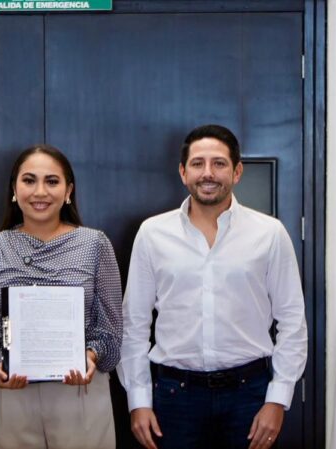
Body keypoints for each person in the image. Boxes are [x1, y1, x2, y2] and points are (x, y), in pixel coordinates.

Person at [118, 124, 308, 449]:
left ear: (237, 172)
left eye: (219, 163)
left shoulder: (270, 233)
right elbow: (133, 323)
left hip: (250, 396)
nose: (208, 173)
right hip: (174, 398)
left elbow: (292, 320)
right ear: (183, 172)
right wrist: (138, 400)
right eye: (198, 163)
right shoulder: (152, 233)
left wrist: (278, 399)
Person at [0, 144, 123, 449]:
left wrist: (90, 357)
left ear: (68, 190)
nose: (40, 192)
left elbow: (111, 327)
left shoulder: (95, 244)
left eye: (52, 181)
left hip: (79, 392)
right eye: (29, 180)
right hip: (11, 395)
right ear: (14, 189)